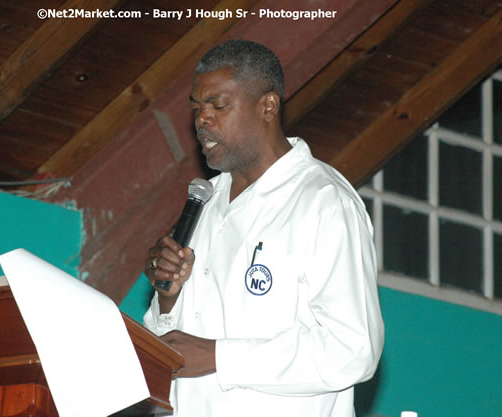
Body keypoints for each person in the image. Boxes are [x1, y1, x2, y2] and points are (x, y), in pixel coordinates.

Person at [143, 39, 384, 417]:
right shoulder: (205, 202)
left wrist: (220, 356)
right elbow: (176, 349)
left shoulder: (323, 201)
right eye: (197, 108)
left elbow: (353, 349)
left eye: (218, 105)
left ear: (267, 106)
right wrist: (168, 300)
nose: (202, 120)